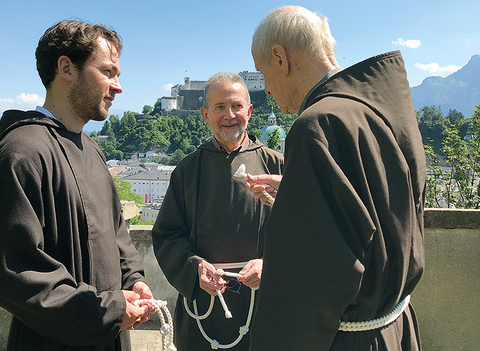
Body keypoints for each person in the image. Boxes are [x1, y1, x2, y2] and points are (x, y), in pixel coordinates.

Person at [247, 6, 426, 350]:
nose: (266, 89)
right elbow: (376, 207)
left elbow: (317, 271)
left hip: (349, 340)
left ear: (279, 57)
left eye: (263, 73)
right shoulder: (376, 109)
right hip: (395, 327)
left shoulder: (316, 124)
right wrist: (297, 192)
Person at [0, 20, 154, 351]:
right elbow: (11, 270)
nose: (118, 86)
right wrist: (104, 310)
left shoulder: (93, 149)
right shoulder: (24, 151)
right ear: (66, 68)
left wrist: (134, 280)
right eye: (108, 72)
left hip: (110, 335)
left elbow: (117, 234)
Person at [152, 72, 284, 350]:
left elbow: (302, 234)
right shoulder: (186, 171)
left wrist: (270, 265)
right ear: (205, 115)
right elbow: (167, 235)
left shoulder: (279, 166)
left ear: (249, 111)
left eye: (236, 106)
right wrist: (194, 268)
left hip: (265, 306)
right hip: (203, 305)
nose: (229, 115)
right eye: (220, 107)